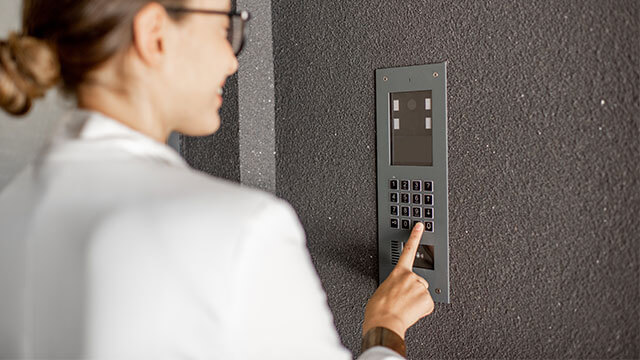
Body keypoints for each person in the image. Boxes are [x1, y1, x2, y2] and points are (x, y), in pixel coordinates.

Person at [0, 0, 435, 358]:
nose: (231, 60)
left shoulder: (11, 208)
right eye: (224, 27)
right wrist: (386, 326)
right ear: (155, 35)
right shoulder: (242, 229)